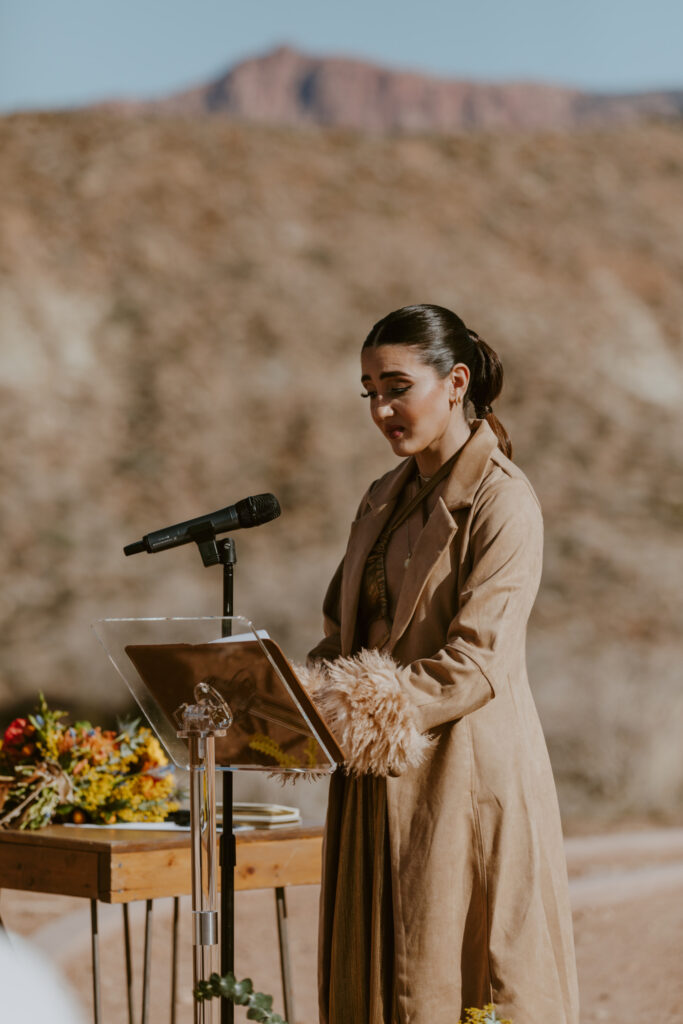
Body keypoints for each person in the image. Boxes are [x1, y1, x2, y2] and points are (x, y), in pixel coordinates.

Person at [300, 305, 580, 1024]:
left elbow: (477, 661)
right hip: (370, 778)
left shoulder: (503, 499)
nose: (381, 408)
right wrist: (284, 693)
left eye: (396, 386)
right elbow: (340, 635)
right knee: (374, 981)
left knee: (458, 978)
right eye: (368, 391)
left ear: (455, 382)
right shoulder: (380, 499)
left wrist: (350, 709)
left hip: (463, 776)